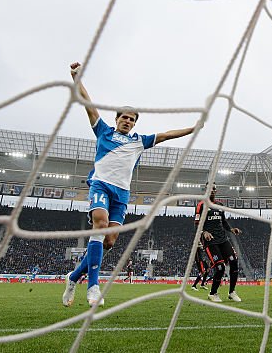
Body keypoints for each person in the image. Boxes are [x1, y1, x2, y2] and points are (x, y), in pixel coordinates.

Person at [62, 62, 197, 308]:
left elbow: (167, 134)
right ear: (117, 119)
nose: (127, 121)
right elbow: (87, 103)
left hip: (122, 194)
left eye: (131, 119)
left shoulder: (139, 141)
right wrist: (76, 78)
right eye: (124, 117)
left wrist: (192, 129)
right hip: (101, 185)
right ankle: (93, 287)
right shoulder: (103, 131)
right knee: (99, 226)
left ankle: (73, 277)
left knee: (110, 241)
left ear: (135, 123)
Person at [196, 185, 243, 303]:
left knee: (233, 261)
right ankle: (213, 293)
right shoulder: (201, 205)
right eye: (210, 188)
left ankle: (232, 292)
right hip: (210, 241)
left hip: (223, 239)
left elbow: (224, 221)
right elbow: (197, 223)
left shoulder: (220, 206)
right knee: (220, 267)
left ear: (216, 191)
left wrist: (231, 230)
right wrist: (204, 232)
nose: (212, 190)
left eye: (214, 188)